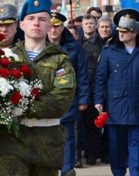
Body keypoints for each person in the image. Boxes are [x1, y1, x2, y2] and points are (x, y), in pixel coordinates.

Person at [0, 0, 76, 176]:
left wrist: (20, 106)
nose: (36, 23)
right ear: (21, 25)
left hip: (47, 142)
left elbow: (60, 102)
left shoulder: (60, 60)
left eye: (42, 19)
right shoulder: (6, 58)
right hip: (12, 141)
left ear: (49, 25)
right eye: (31, 19)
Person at [93, 8, 139, 176]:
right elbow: (100, 77)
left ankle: (135, 173)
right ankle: (118, 173)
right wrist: (98, 100)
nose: (121, 34)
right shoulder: (110, 50)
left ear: (135, 32)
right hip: (116, 106)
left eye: (125, 31)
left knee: (137, 144)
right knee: (116, 146)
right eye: (120, 31)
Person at [48, 12, 90, 176]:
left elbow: (82, 73)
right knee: (48, 134)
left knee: (68, 135)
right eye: (50, 26)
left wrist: (83, 98)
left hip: (68, 97)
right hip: (47, 97)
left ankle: (67, 168)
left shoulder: (74, 46)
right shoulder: (39, 44)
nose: (53, 30)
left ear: (62, 27)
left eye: (56, 26)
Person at [80, 16, 113, 166]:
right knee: (92, 125)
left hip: (113, 92)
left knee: (110, 125)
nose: (105, 30)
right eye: (102, 27)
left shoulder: (116, 45)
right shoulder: (88, 46)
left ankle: (106, 153)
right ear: (97, 29)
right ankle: (91, 154)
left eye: (107, 27)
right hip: (94, 91)